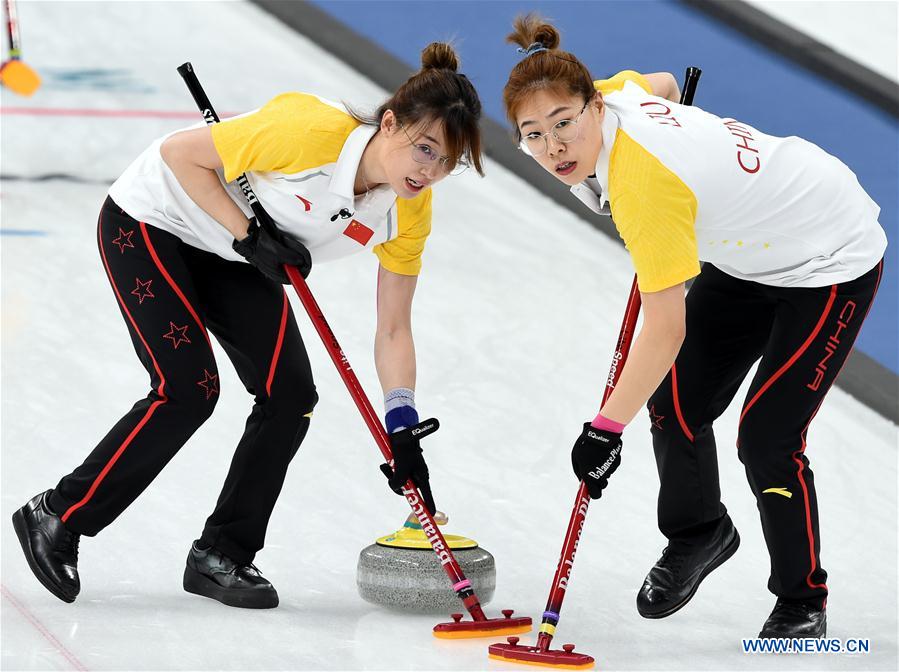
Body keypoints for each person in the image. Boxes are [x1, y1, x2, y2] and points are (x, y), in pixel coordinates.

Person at [12, 42, 483, 610]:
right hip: (156, 219)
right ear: (389, 123)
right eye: (424, 148)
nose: (428, 171)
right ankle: (59, 514)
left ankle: (221, 554)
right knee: (187, 390)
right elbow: (180, 156)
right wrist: (247, 233)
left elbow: (393, 330)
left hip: (233, 257)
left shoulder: (408, 210)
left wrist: (401, 424)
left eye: (446, 163)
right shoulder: (309, 131)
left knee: (290, 396)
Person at [502, 14, 886, 638]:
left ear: (594, 107)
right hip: (750, 252)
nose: (553, 148)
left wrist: (604, 431)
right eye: (534, 134)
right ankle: (700, 531)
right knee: (676, 402)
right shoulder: (615, 94)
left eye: (565, 125)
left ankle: (801, 601)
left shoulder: (644, 188)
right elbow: (659, 85)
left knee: (766, 438)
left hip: (827, 257)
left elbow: (664, 329)